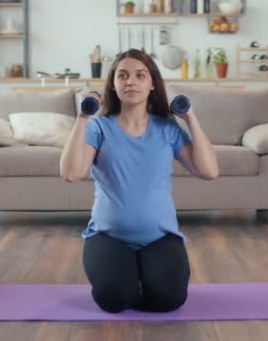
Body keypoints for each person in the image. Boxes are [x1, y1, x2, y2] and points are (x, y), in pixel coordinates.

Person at [60, 49, 218, 313]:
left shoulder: (168, 128)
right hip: (108, 236)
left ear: (152, 83)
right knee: (114, 299)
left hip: (159, 237)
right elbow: (71, 173)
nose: (130, 81)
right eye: (122, 75)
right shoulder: (99, 128)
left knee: (170, 299)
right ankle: (127, 281)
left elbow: (209, 171)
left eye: (139, 75)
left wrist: (190, 118)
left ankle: (141, 280)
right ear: (113, 84)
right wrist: (82, 118)